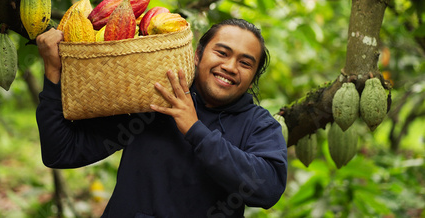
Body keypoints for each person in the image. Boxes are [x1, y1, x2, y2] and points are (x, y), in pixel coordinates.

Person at [35, 18, 287, 217]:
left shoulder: (259, 125)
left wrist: (195, 130)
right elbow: (61, 151)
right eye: (222, 53)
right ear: (197, 55)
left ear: (253, 77)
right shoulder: (154, 98)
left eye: (245, 63)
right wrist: (53, 73)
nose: (230, 67)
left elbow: (268, 189)